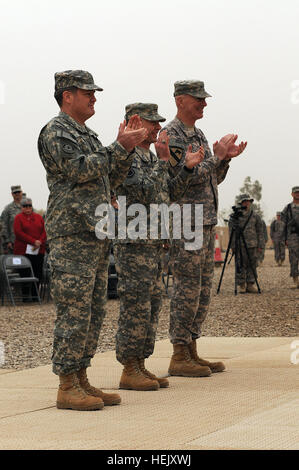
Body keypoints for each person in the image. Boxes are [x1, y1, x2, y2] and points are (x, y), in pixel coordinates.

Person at [38, 69, 148, 411]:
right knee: (73, 310)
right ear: (67, 95)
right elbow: (79, 170)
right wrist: (119, 147)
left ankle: (82, 377)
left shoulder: (89, 135)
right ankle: (67, 384)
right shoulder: (56, 132)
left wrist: (125, 152)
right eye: (88, 92)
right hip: (72, 233)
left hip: (97, 231)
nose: (94, 97)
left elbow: (109, 176)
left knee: (93, 311)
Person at [113, 102, 204, 391]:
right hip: (134, 242)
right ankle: (129, 367)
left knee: (151, 302)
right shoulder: (126, 156)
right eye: (152, 123)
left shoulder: (150, 157)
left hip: (152, 243)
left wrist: (186, 170)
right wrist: (165, 162)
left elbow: (168, 193)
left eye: (157, 123)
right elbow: (143, 192)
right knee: (136, 303)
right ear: (134, 123)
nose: (157, 128)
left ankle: (140, 363)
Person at [161, 80, 247, 377]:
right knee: (186, 288)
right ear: (181, 100)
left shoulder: (197, 134)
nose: (204, 104)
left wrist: (224, 162)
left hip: (205, 220)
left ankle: (192, 349)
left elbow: (210, 179)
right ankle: (179, 353)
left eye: (204, 99)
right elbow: (179, 182)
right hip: (186, 222)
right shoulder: (169, 136)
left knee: (202, 290)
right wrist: (216, 158)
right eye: (198, 99)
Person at [229, 194, 264, 294]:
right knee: (240, 265)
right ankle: (242, 284)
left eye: (248, 201)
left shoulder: (255, 216)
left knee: (252, 265)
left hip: (252, 244)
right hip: (240, 245)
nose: (246, 203)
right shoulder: (235, 216)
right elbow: (231, 232)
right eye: (244, 201)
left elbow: (260, 231)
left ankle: (250, 284)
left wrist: (260, 245)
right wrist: (233, 246)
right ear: (241, 203)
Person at [13, 198, 47, 301]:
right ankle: (25, 296)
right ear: (21, 207)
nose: (27, 208)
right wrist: (33, 241)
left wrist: (40, 241)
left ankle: (36, 295)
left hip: (38, 250)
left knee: (37, 272)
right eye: (25, 206)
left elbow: (44, 230)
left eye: (29, 206)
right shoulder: (18, 218)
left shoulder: (38, 217)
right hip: (23, 250)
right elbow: (18, 233)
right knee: (25, 272)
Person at [281, 186, 299, 288]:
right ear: (292, 194)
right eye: (296, 192)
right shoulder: (288, 208)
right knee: (294, 258)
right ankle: (296, 280)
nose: (297, 194)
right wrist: (285, 239)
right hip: (293, 236)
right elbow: (283, 224)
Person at [1, 185, 23, 253]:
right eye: (15, 193)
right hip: (13, 242)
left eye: (18, 192)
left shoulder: (27, 206)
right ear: (12, 194)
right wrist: (7, 241)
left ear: (21, 192)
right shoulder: (8, 209)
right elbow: (4, 226)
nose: (17, 194)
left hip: (27, 242)